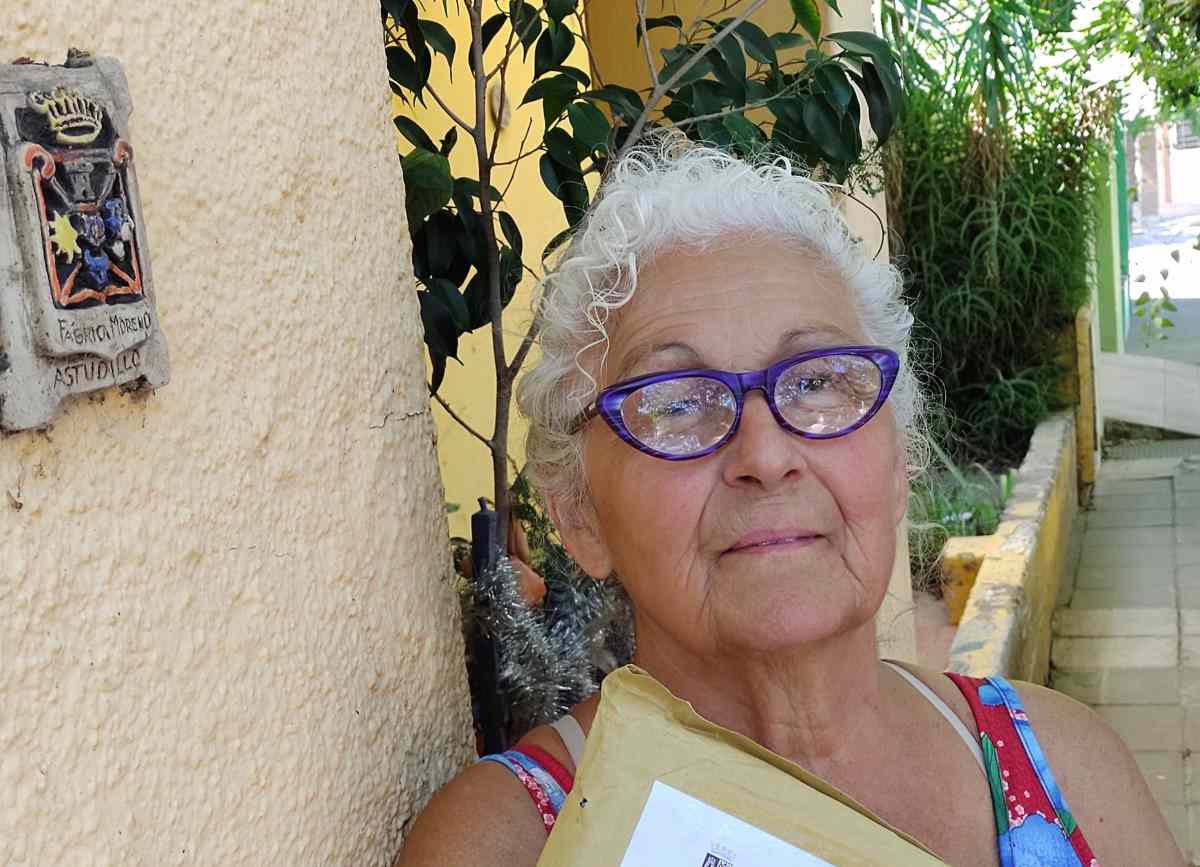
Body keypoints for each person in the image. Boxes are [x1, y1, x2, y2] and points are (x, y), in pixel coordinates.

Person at [399, 134, 1182, 866]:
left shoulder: (1069, 765)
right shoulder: (508, 844)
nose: (766, 457)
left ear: (896, 462)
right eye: (677, 401)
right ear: (579, 512)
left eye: (817, 381)